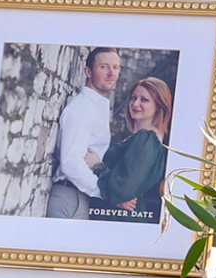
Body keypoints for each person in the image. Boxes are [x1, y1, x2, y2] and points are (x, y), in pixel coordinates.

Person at [87, 75, 174, 223]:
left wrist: (97, 166)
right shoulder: (144, 139)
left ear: (159, 106)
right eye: (133, 98)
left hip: (120, 218)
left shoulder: (146, 140)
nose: (135, 103)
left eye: (144, 100)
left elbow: (122, 191)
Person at [45, 46, 120, 219]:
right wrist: (104, 191)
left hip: (79, 196)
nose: (111, 73)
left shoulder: (96, 106)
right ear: (88, 72)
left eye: (115, 67)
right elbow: (70, 162)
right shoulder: (83, 108)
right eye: (104, 67)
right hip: (70, 197)